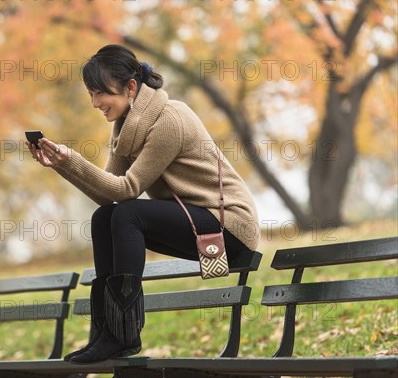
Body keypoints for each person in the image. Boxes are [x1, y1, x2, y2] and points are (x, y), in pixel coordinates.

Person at [25, 44, 260, 364]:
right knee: (103, 217)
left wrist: (74, 159)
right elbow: (108, 195)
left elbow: (128, 190)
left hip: (228, 226)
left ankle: (124, 333)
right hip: (192, 221)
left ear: (130, 87)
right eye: (90, 95)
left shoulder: (170, 119)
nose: (95, 103)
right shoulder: (126, 127)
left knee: (127, 213)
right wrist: (62, 164)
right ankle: (106, 332)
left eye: (100, 94)